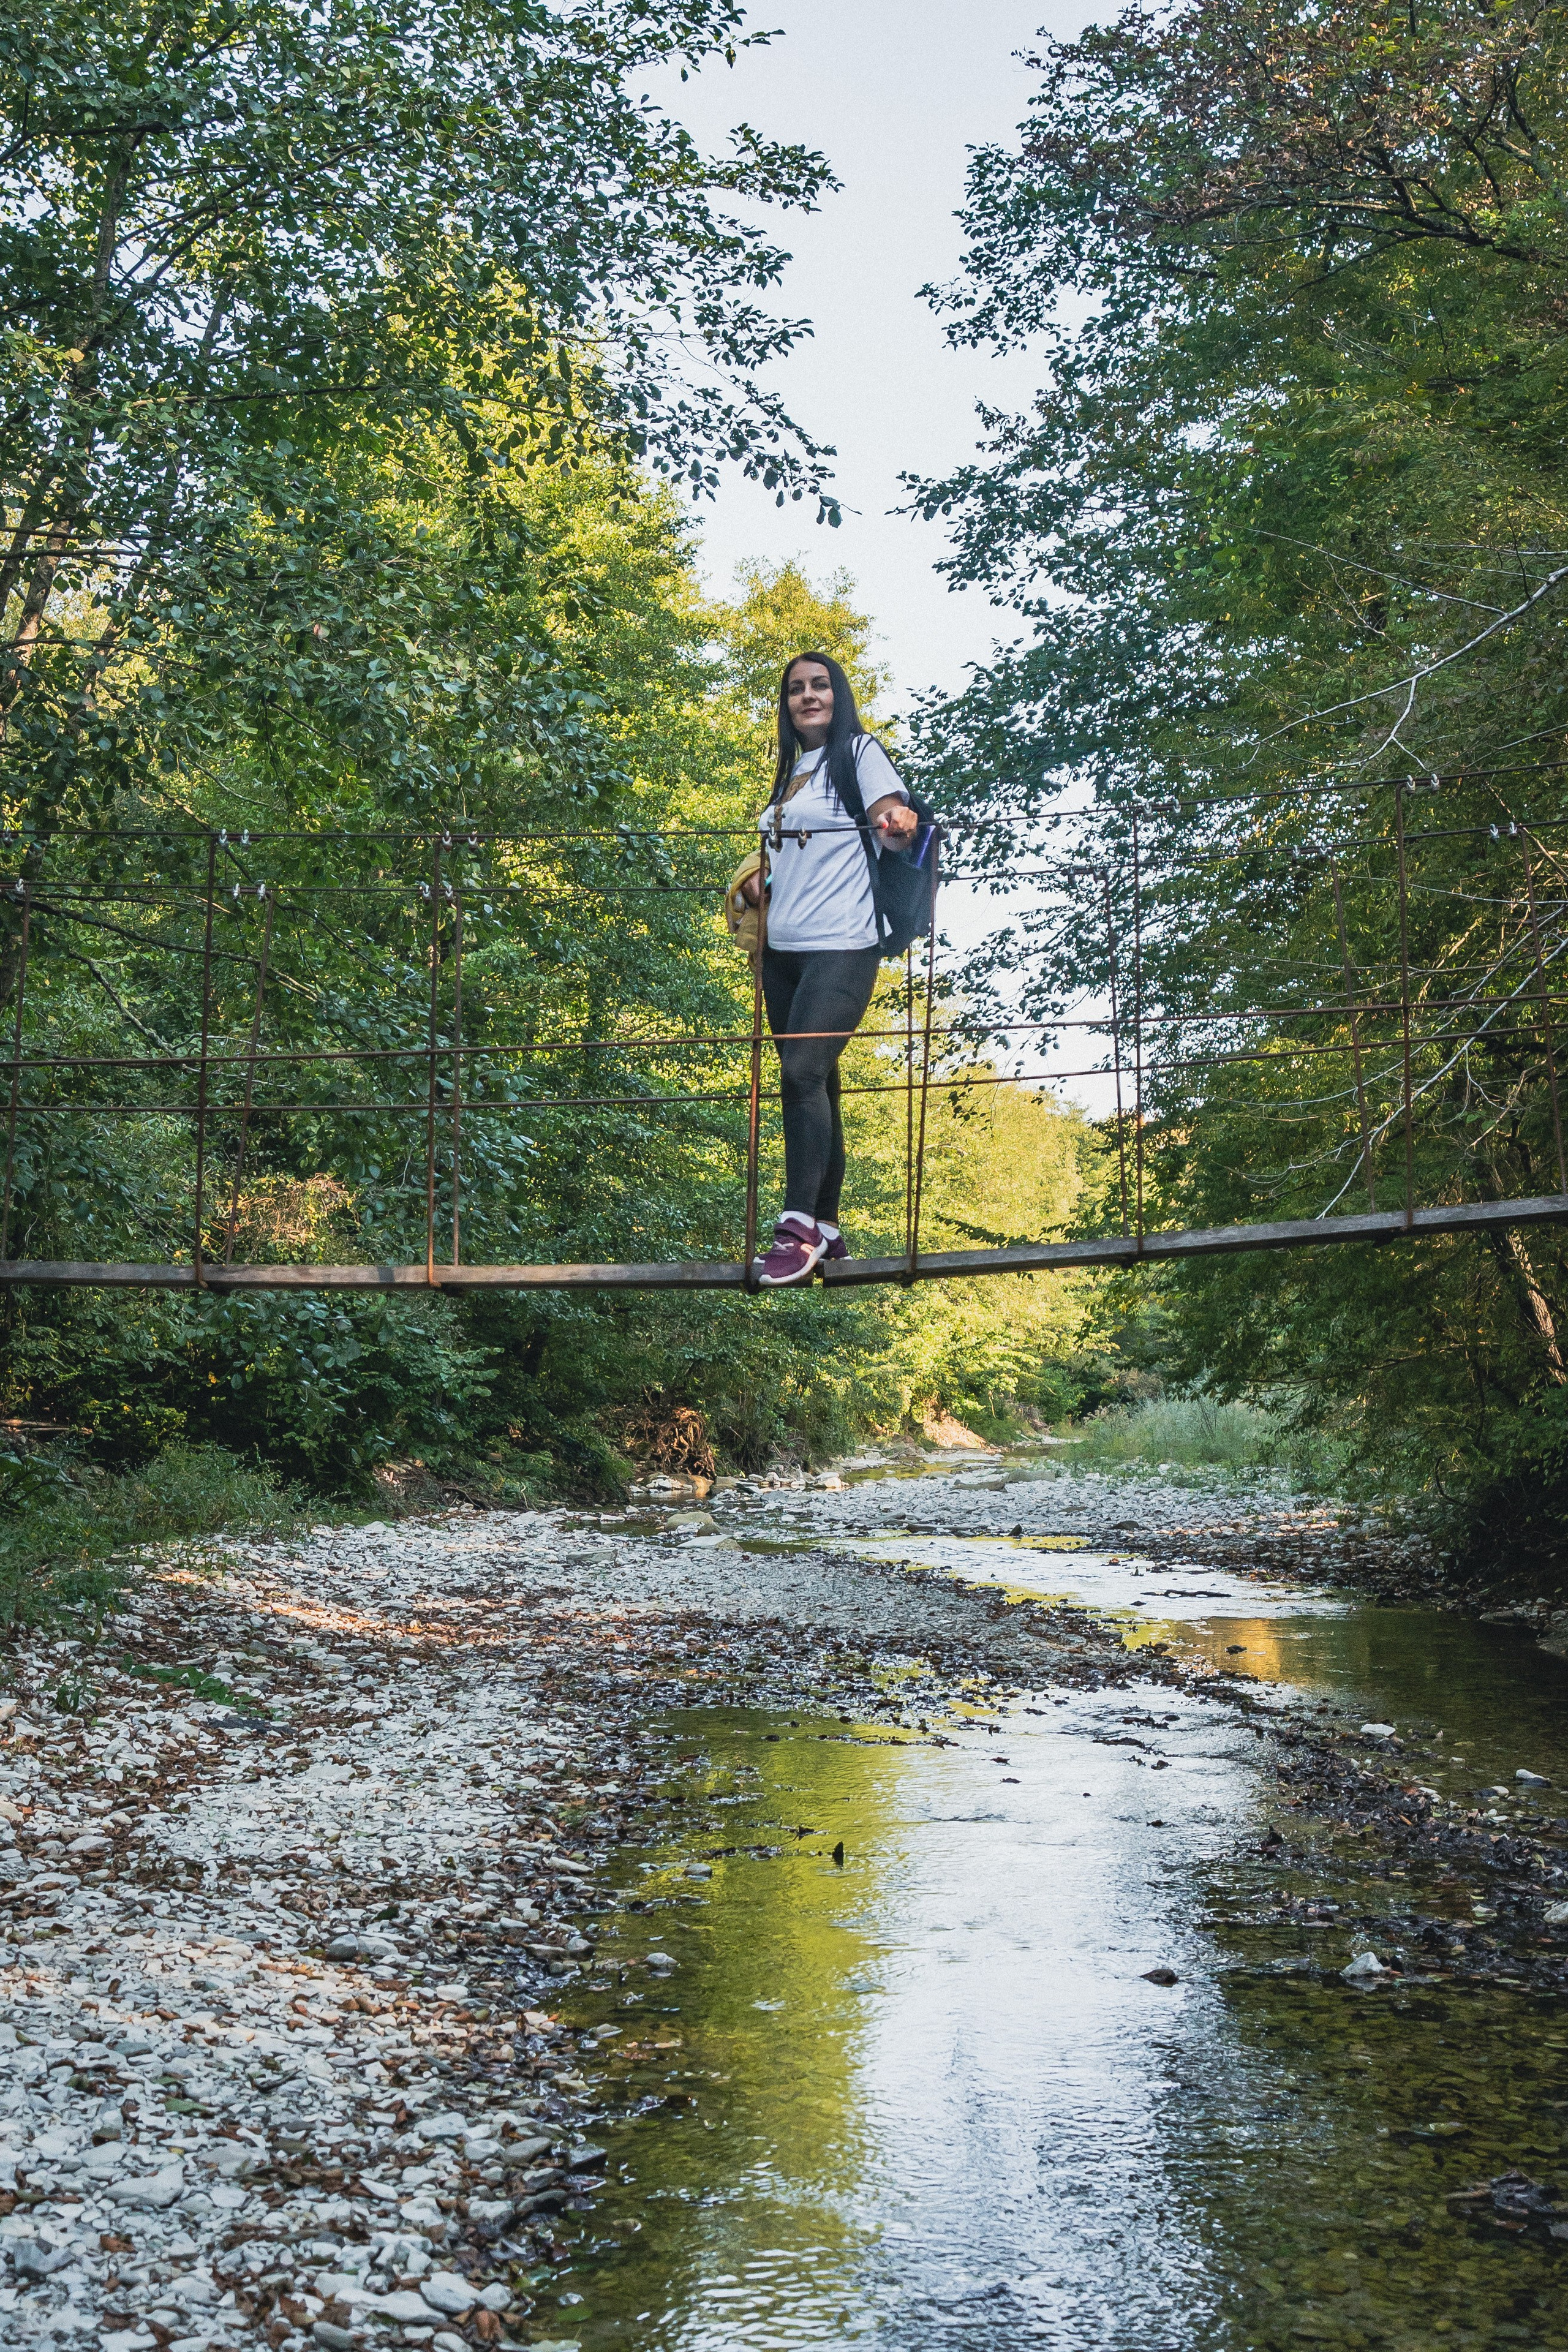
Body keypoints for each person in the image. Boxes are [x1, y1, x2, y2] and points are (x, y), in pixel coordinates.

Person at [742, 650, 921, 1287]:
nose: (807, 696)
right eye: (795, 689)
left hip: (842, 943)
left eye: (819, 686)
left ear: (837, 695)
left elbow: (893, 825)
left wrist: (899, 823)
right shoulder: (793, 772)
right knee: (820, 1084)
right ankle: (829, 1224)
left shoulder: (858, 751)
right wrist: (759, 883)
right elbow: (788, 855)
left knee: (801, 1072)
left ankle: (796, 1227)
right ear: (786, 704)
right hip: (782, 953)